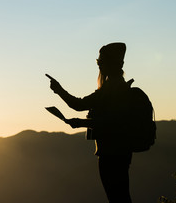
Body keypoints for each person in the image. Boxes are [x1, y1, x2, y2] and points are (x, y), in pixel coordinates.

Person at [47, 42, 133, 203]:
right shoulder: (118, 87)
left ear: (109, 63)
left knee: (117, 198)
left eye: (100, 62)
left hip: (111, 154)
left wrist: (59, 90)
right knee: (121, 196)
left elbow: (87, 110)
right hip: (120, 152)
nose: (99, 65)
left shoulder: (112, 89)